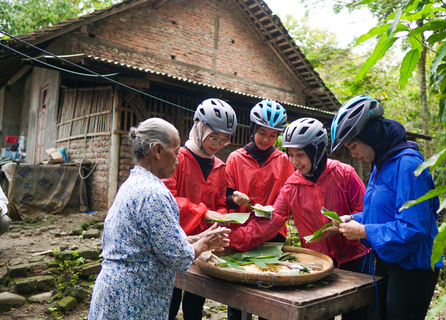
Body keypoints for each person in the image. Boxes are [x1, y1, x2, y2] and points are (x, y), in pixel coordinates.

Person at [88, 118, 230, 320]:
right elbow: (178, 258)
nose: (179, 158)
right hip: (134, 297)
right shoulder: (155, 194)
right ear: (157, 150)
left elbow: (155, 242)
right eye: (176, 150)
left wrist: (195, 238)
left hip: (114, 290)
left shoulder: (133, 183)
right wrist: (205, 243)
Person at [228, 117, 369, 320]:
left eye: (300, 155)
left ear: (317, 151)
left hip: (355, 258)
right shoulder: (291, 186)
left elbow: (367, 212)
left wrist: (345, 223)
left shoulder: (344, 173)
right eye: (291, 154)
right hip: (317, 263)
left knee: (357, 315)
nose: (294, 162)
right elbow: (270, 221)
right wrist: (232, 239)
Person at [330, 95, 443, 320]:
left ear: (370, 135)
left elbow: (413, 227)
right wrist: (352, 219)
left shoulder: (409, 165)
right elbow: (381, 215)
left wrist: (363, 231)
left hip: (413, 268)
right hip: (386, 261)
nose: (352, 153)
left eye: (353, 145)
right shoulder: (380, 165)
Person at [164, 98, 241, 320]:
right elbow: (166, 199)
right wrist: (203, 212)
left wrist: (223, 220)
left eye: (223, 140)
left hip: (203, 248)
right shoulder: (177, 158)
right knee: (170, 300)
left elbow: (220, 203)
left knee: (195, 302)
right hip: (175, 241)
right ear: (198, 127)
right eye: (212, 137)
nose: (216, 145)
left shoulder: (220, 166)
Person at [225, 100, 294, 320]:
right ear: (253, 128)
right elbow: (225, 197)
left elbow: (290, 195)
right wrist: (235, 199)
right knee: (238, 295)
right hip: (241, 234)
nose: (266, 139)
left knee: (269, 295)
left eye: (273, 135)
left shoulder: (284, 160)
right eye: (262, 133)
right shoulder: (235, 158)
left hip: (273, 234)